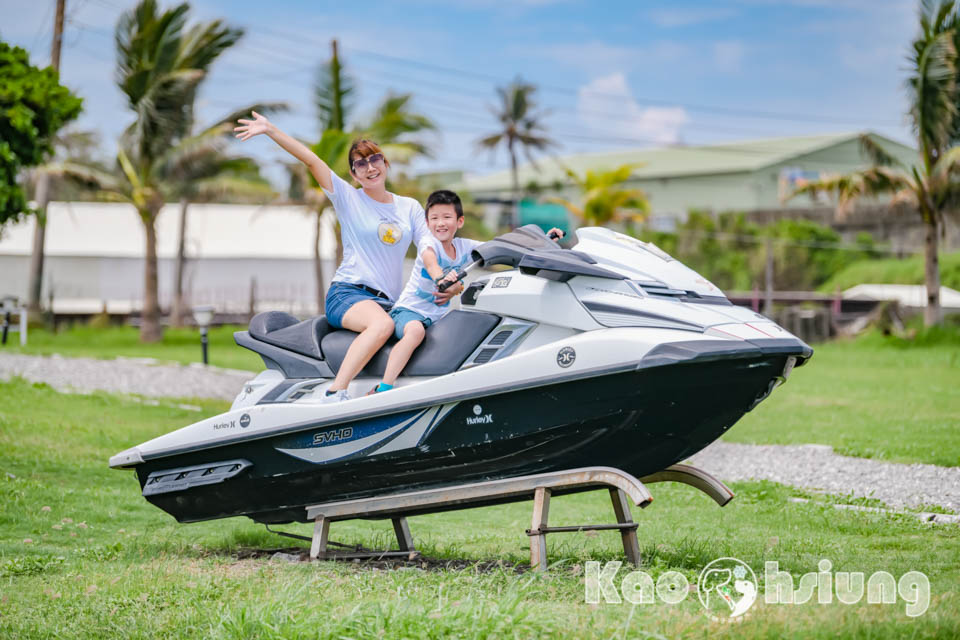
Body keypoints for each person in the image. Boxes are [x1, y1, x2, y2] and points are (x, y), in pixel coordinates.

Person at [234, 112, 454, 402]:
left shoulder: (409, 208)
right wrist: (271, 130)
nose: (369, 167)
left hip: (387, 301)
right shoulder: (349, 198)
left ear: (385, 164)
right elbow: (312, 161)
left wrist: (440, 277)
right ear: (354, 174)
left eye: (374, 159)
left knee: (417, 328)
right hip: (348, 294)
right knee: (382, 326)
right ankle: (335, 391)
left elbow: (427, 249)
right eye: (360, 164)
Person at [368, 190, 563, 394]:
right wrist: (440, 279)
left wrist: (544, 239)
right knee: (415, 331)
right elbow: (431, 263)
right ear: (427, 224)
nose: (440, 223)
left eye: (446, 217)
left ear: (459, 221)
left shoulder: (464, 247)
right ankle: (384, 387)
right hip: (408, 313)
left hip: (437, 318)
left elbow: (500, 246)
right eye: (434, 218)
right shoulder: (429, 244)